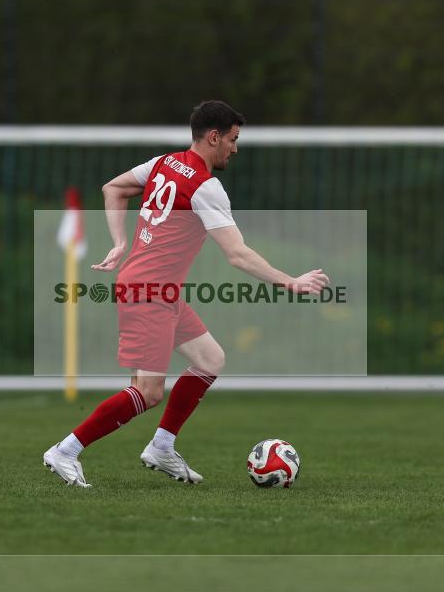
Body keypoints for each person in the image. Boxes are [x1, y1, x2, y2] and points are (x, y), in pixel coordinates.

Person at [43, 100, 330, 487]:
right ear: (214, 137)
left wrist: (118, 243)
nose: (235, 148)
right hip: (148, 292)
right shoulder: (206, 186)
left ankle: (162, 446)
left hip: (161, 290)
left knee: (210, 358)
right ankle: (66, 450)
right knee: (146, 391)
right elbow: (237, 254)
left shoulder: (164, 163)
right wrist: (291, 281)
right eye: (232, 139)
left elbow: (114, 188)